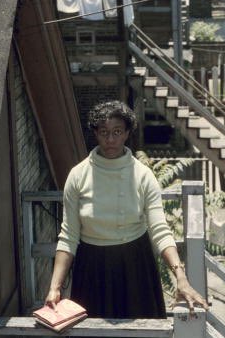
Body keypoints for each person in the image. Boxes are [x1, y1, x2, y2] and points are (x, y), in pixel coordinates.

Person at [45, 100, 208, 319]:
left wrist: (181, 277)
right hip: (92, 267)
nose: (110, 139)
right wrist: (55, 287)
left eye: (117, 132)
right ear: (95, 133)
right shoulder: (77, 175)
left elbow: (160, 230)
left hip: (135, 264)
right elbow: (68, 235)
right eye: (104, 132)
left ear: (127, 133)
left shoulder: (142, 175)